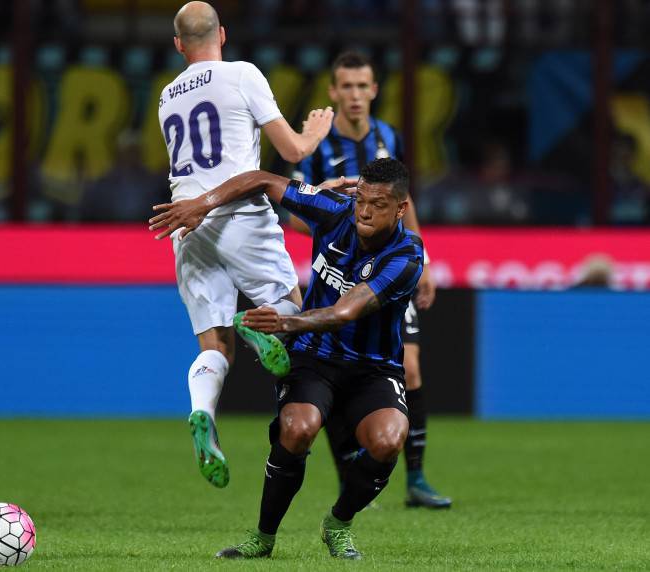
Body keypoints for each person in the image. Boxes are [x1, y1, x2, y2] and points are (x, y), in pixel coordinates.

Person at [151, 158, 421, 559]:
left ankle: (338, 523)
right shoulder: (335, 210)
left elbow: (344, 312)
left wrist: (284, 323)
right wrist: (203, 204)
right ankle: (263, 537)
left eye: (378, 205)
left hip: (372, 368)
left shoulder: (406, 256)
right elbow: (260, 180)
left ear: (400, 209)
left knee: (388, 440)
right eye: (361, 199)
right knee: (297, 430)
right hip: (315, 357)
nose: (364, 211)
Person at [157, 1, 334, 488]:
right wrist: (314, 133)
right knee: (293, 313)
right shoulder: (242, 74)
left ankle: (202, 413)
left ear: (178, 45)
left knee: (215, 345)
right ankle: (265, 331)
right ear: (223, 35)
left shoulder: (167, 95)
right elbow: (291, 151)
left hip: (185, 224)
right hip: (237, 213)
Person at [291, 51, 450, 509]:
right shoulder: (317, 146)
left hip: (391, 273)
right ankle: (353, 475)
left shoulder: (387, 137)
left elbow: (404, 200)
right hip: (340, 274)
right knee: (339, 370)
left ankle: (416, 480)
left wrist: (423, 257)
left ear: (374, 90)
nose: (356, 95)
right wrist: (339, 214)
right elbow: (296, 210)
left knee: (413, 368)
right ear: (333, 92)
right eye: (347, 86)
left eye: (364, 86)